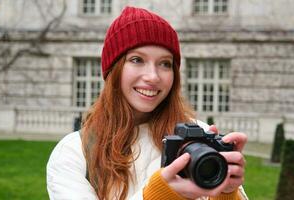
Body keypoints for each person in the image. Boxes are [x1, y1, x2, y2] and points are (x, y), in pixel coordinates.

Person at [46, 6, 248, 200]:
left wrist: (226, 192)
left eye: (165, 64)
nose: (153, 76)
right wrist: (161, 194)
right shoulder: (74, 152)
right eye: (136, 60)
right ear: (113, 70)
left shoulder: (200, 138)